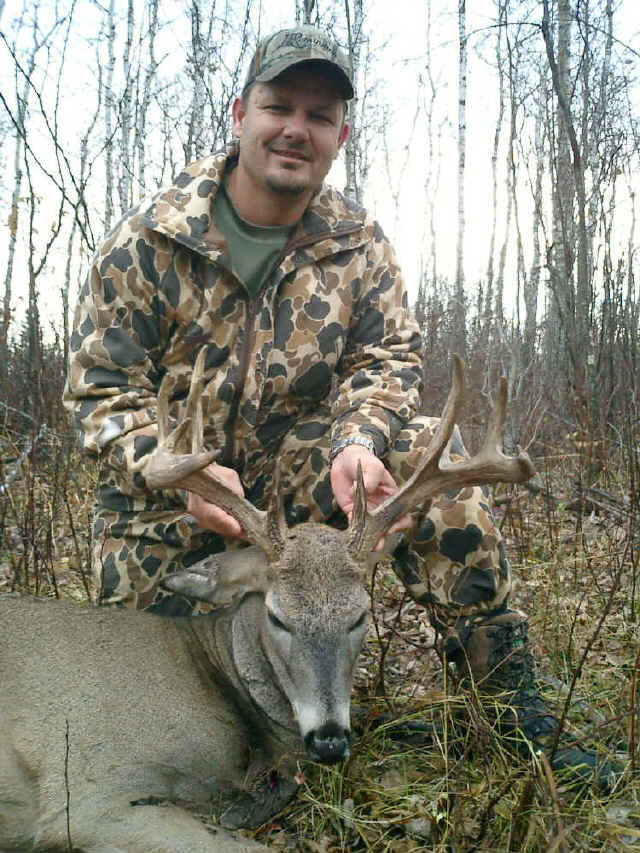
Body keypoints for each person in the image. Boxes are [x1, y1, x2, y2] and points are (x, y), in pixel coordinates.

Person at [64, 25, 612, 788]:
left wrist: (358, 441)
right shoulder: (148, 242)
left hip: (306, 483)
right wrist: (177, 471)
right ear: (239, 115)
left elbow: (386, 358)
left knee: (425, 461)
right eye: (278, 106)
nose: (296, 129)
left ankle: (512, 712)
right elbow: (99, 391)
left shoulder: (360, 245)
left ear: (340, 135)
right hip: (169, 506)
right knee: (153, 720)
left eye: (319, 116)